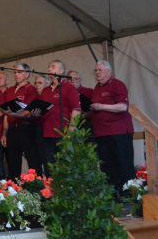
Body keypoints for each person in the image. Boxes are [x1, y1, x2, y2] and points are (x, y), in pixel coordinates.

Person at [88, 60, 135, 198]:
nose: (97, 73)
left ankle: (129, 194)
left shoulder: (117, 84)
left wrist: (101, 106)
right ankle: (113, 194)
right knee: (107, 165)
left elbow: (123, 107)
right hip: (101, 133)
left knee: (123, 162)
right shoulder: (97, 88)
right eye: (96, 70)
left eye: (100, 70)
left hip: (118, 132)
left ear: (109, 71)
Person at [38, 60, 81, 174]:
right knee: (49, 168)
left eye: (53, 67)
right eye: (49, 67)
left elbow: (76, 110)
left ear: (61, 71)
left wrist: (70, 132)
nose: (49, 69)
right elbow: (41, 110)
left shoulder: (68, 87)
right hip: (47, 135)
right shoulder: (45, 90)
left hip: (64, 134)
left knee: (66, 169)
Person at [2, 63, 42, 178]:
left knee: (33, 162)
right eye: (15, 72)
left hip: (27, 128)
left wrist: (14, 114)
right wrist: (4, 133)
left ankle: (37, 186)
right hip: (12, 130)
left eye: (19, 72)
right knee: (13, 164)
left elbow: (29, 111)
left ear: (27, 74)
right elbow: (6, 113)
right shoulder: (9, 90)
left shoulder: (31, 89)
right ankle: (14, 187)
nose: (16, 74)